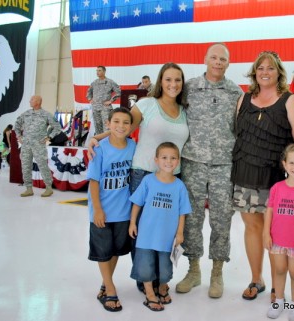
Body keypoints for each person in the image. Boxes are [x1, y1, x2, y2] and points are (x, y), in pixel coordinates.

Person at [89, 62, 189, 294]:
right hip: (143, 175)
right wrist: (96, 138)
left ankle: (161, 277)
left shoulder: (184, 112)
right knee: (142, 231)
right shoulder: (147, 104)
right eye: (168, 79)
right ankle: (145, 280)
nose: (173, 84)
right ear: (160, 82)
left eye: (177, 80)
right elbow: (122, 127)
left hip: (172, 179)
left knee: (164, 229)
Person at [231, 51, 294, 302]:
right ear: (254, 72)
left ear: (279, 73)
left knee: (276, 232)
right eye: (260, 67)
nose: (265, 71)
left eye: (270, 68)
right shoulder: (243, 99)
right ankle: (256, 279)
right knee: (252, 227)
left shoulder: (290, 100)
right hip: (243, 172)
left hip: (275, 179)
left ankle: (278, 286)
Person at [176, 43, 242, 299]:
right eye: (213, 57)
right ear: (205, 59)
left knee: (221, 219)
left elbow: (240, 129)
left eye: (222, 59)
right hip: (193, 162)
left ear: (228, 63)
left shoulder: (235, 92)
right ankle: (193, 270)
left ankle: (217, 271)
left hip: (224, 165)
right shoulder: (189, 88)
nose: (217, 62)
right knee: (191, 218)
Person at [129, 142, 191, 312]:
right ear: (156, 160)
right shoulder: (148, 181)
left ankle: (163, 287)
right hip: (146, 235)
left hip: (167, 237)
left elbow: (182, 212)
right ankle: (149, 293)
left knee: (165, 268)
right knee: (144, 265)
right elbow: (137, 203)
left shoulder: (179, 185)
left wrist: (179, 232)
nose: (168, 162)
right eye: (164, 158)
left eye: (172, 158)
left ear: (178, 161)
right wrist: (133, 222)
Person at [86, 108, 136, 312]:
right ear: (108, 123)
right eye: (116, 121)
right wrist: (97, 209)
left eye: (126, 122)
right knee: (103, 251)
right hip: (102, 211)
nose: (121, 126)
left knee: (114, 250)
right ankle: (111, 289)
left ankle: (106, 284)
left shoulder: (133, 146)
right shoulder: (100, 149)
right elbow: (94, 182)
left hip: (123, 211)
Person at [263, 144, 294, 321]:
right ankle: (278, 300)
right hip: (277, 239)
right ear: (284, 164)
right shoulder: (277, 188)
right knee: (279, 269)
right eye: (292, 163)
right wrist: (266, 234)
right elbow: (269, 211)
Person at [14, 95, 62, 197]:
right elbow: (17, 124)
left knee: (42, 166)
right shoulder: (26, 114)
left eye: (32, 99)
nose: (29, 101)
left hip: (38, 145)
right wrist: (19, 136)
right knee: (25, 166)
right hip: (26, 145)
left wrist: (49, 137)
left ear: (38, 102)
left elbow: (57, 127)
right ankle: (28, 188)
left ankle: (49, 188)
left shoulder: (45, 115)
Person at [86, 66, 121, 135]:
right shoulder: (94, 83)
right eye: (97, 71)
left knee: (107, 126)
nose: (97, 72)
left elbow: (119, 92)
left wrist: (111, 101)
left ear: (104, 71)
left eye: (99, 70)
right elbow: (88, 93)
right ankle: (99, 143)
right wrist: (90, 99)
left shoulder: (110, 82)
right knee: (97, 127)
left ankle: (107, 143)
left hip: (105, 108)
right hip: (96, 108)